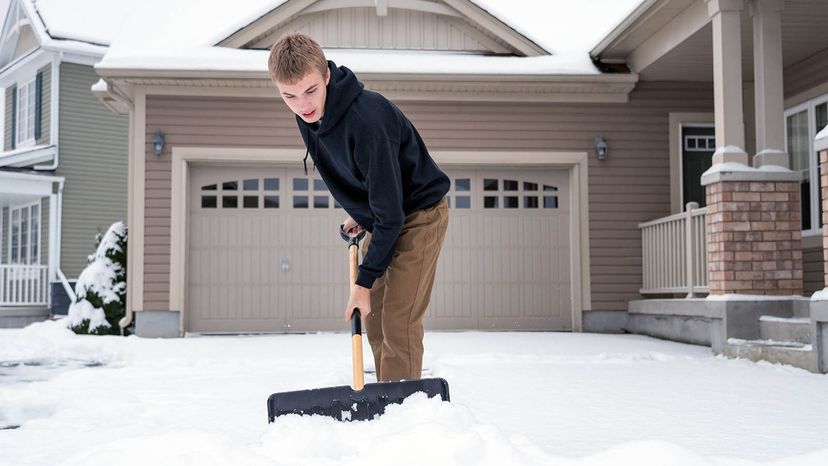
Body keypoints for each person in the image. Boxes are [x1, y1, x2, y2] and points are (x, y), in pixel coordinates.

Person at [267, 33, 450, 382]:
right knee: (375, 315)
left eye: (309, 91)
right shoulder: (309, 115)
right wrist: (362, 211)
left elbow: (393, 213)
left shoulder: (368, 120)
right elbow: (369, 183)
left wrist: (362, 282)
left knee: (398, 318)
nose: (302, 105)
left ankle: (404, 408)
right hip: (386, 215)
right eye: (288, 96)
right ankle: (389, 394)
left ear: (326, 76)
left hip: (420, 215)